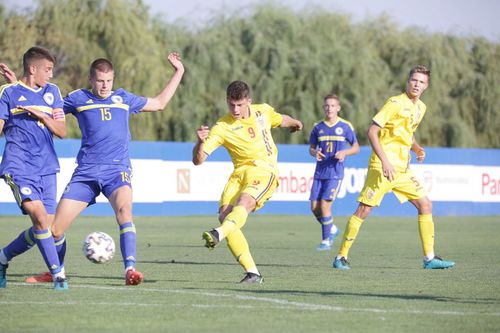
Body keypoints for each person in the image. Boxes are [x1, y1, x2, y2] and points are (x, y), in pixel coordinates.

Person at [2, 52, 184, 286]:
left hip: (116, 170)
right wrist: (16, 83)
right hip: (86, 173)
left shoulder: (123, 99)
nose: (105, 86)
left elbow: (159, 103)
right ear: (91, 79)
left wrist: (179, 71)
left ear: (113, 78)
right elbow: (41, 103)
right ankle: (48, 269)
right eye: (100, 81)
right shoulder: (77, 99)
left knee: (125, 212)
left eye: (108, 80)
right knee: (53, 230)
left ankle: (130, 269)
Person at [333, 65, 455, 270]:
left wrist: (416, 148)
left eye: (421, 82)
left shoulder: (421, 108)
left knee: (425, 205)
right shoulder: (395, 103)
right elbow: (372, 131)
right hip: (383, 167)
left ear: (426, 86)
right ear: (408, 81)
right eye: (414, 80)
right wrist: (385, 161)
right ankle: (340, 257)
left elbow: (406, 133)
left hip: (403, 170)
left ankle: (429, 258)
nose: (417, 84)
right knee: (364, 209)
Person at [192, 80, 303, 283]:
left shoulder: (263, 111)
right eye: (231, 104)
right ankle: (253, 273)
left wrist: (295, 122)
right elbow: (198, 161)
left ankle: (218, 234)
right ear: (227, 102)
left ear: (249, 101)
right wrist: (200, 142)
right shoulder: (222, 127)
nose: (235, 109)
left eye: (240, 105)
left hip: (264, 169)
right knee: (226, 215)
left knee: (244, 203)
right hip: (239, 174)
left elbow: (280, 119)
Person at [0, 47, 68, 290]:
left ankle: (2, 258)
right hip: (18, 166)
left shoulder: (53, 92)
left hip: (47, 167)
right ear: (32, 68)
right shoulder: (8, 93)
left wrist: (41, 116)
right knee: (39, 217)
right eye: (47, 69)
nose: (50, 75)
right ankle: (59, 275)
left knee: (47, 227)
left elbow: (62, 131)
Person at [309, 94, 359, 251]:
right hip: (319, 172)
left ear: (338, 108)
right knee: (314, 208)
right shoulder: (318, 127)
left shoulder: (344, 126)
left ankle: (326, 240)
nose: (329, 108)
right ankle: (331, 229)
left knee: (325, 205)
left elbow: (356, 147)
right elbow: (311, 148)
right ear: (323, 107)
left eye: (332, 105)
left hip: (335, 173)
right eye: (327, 105)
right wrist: (314, 152)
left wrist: (345, 153)